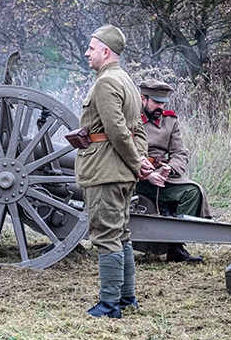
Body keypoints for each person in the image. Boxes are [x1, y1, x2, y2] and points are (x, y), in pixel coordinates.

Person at [76, 25, 153, 319]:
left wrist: (136, 162)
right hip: (121, 172)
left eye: (91, 48)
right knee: (121, 235)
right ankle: (127, 298)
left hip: (105, 170)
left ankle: (109, 305)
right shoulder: (127, 81)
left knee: (106, 236)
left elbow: (118, 132)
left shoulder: (106, 82)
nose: (87, 53)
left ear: (106, 51)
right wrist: (140, 161)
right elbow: (138, 130)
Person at [136, 79, 212, 263]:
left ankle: (175, 247)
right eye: (156, 102)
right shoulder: (130, 119)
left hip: (161, 176)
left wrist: (170, 168)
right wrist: (148, 174)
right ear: (143, 99)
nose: (160, 107)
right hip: (135, 176)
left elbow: (180, 152)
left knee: (192, 192)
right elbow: (124, 150)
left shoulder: (170, 121)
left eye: (163, 103)